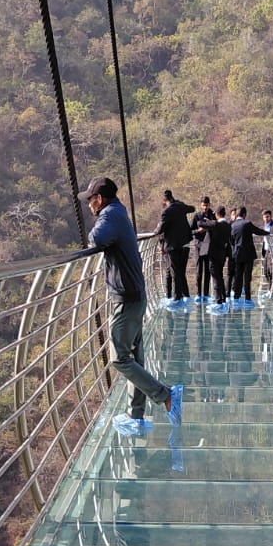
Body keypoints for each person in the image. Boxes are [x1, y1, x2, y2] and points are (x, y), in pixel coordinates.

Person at [81, 175, 183, 431]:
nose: (89, 205)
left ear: (99, 199)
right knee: (134, 355)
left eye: (90, 200)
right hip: (135, 293)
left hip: (126, 297)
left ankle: (166, 395)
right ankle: (135, 415)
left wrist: (95, 227)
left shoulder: (110, 215)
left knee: (119, 358)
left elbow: (97, 238)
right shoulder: (119, 211)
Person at [154, 189, 194, 303]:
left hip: (172, 246)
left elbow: (160, 229)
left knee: (175, 272)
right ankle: (185, 296)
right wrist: (180, 204)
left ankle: (177, 298)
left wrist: (155, 231)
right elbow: (192, 208)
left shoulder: (166, 212)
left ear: (164, 200)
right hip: (185, 243)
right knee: (181, 271)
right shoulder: (180, 206)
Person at [230, 206, 267, 304]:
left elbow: (232, 241)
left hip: (237, 254)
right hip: (248, 254)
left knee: (238, 276)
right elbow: (257, 231)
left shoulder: (233, 225)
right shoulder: (247, 223)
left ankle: (236, 297)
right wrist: (268, 232)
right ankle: (247, 298)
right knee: (247, 277)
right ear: (244, 214)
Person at [207, 206, 232, 309]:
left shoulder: (216, 224)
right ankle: (223, 298)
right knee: (220, 276)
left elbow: (200, 223)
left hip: (214, 254)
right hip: (222, 254)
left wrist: (209, 220)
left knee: (215, 276)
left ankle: (218, 301)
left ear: (217, 214)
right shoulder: (228, 225)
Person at [191, 196, 214, 303]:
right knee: (199, 271)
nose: (205, 207)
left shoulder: (213, 215)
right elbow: (190, 231)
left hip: (209, 246)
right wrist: (198, 231)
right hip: (199, 246)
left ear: (209, 205)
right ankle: (198, 294)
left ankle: (206, 294)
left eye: (207, 205)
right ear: (201, 205)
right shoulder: (196, 216)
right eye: (203, 205)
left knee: (208, 271)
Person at [261, 209, 273, 292]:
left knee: (271, 271)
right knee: (266, 271)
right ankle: (271, 289)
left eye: (268, 217)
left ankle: (272, 290)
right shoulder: (264, 226)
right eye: (265, 217)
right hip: (266, 250)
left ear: (270, 217)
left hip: (272, 251)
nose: (266, 218)